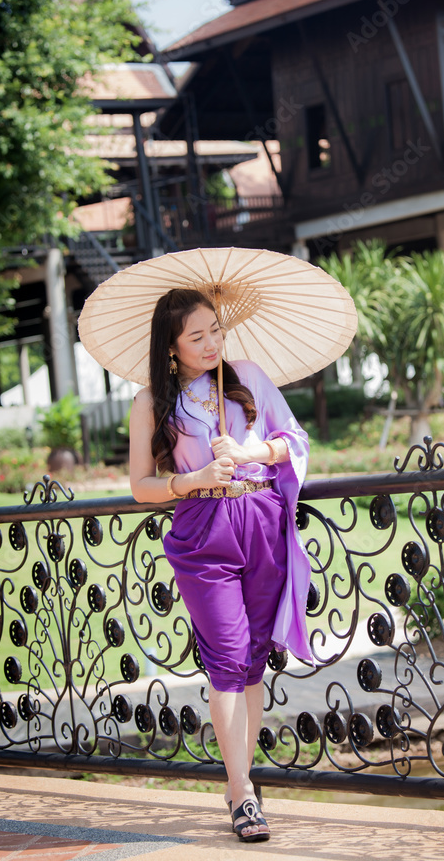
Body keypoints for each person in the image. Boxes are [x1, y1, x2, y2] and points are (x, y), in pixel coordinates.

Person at [129, 288, 311, 844]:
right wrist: (194, 479)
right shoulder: (150, 402)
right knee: (227, 661)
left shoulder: (248, 377)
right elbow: (140, 485)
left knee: (253, 661)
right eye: (197, 336)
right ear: (172, 346)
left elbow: (295, 440)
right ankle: (245, 797)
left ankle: (239, 784)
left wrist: (257, 452)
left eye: (216, 329)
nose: (212, 343)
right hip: (203, 530)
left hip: (260, 521)